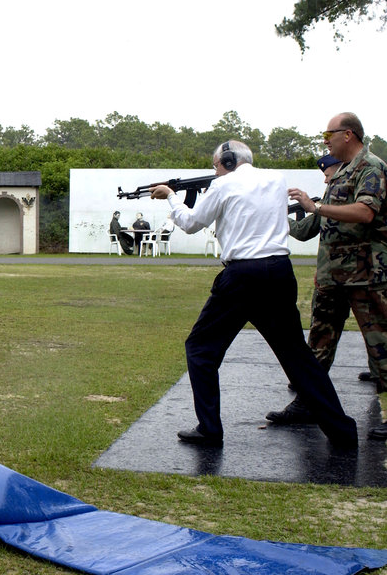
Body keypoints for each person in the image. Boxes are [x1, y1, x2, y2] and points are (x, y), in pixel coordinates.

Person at [149, 140, 357, 449]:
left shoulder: (224, 185)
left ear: (229, 162)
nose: (215, 171)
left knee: (201, 349)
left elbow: (191, 223)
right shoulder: (275, 180)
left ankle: (209, 429)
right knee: (297, 356)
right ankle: (342, 431)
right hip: (279, 271)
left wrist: (171, 197)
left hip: (243, 275)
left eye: (217, 165)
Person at [282, 113, 387, 442]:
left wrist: (316, 208)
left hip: (364, 275)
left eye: (330, 133)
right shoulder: (338, 173)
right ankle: (308, 404)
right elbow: (315, 227)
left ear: (349, 134)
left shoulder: (371, 167)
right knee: (318, 345)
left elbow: (364, 212)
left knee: (380, 345)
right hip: (332, 277)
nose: (325, 139)